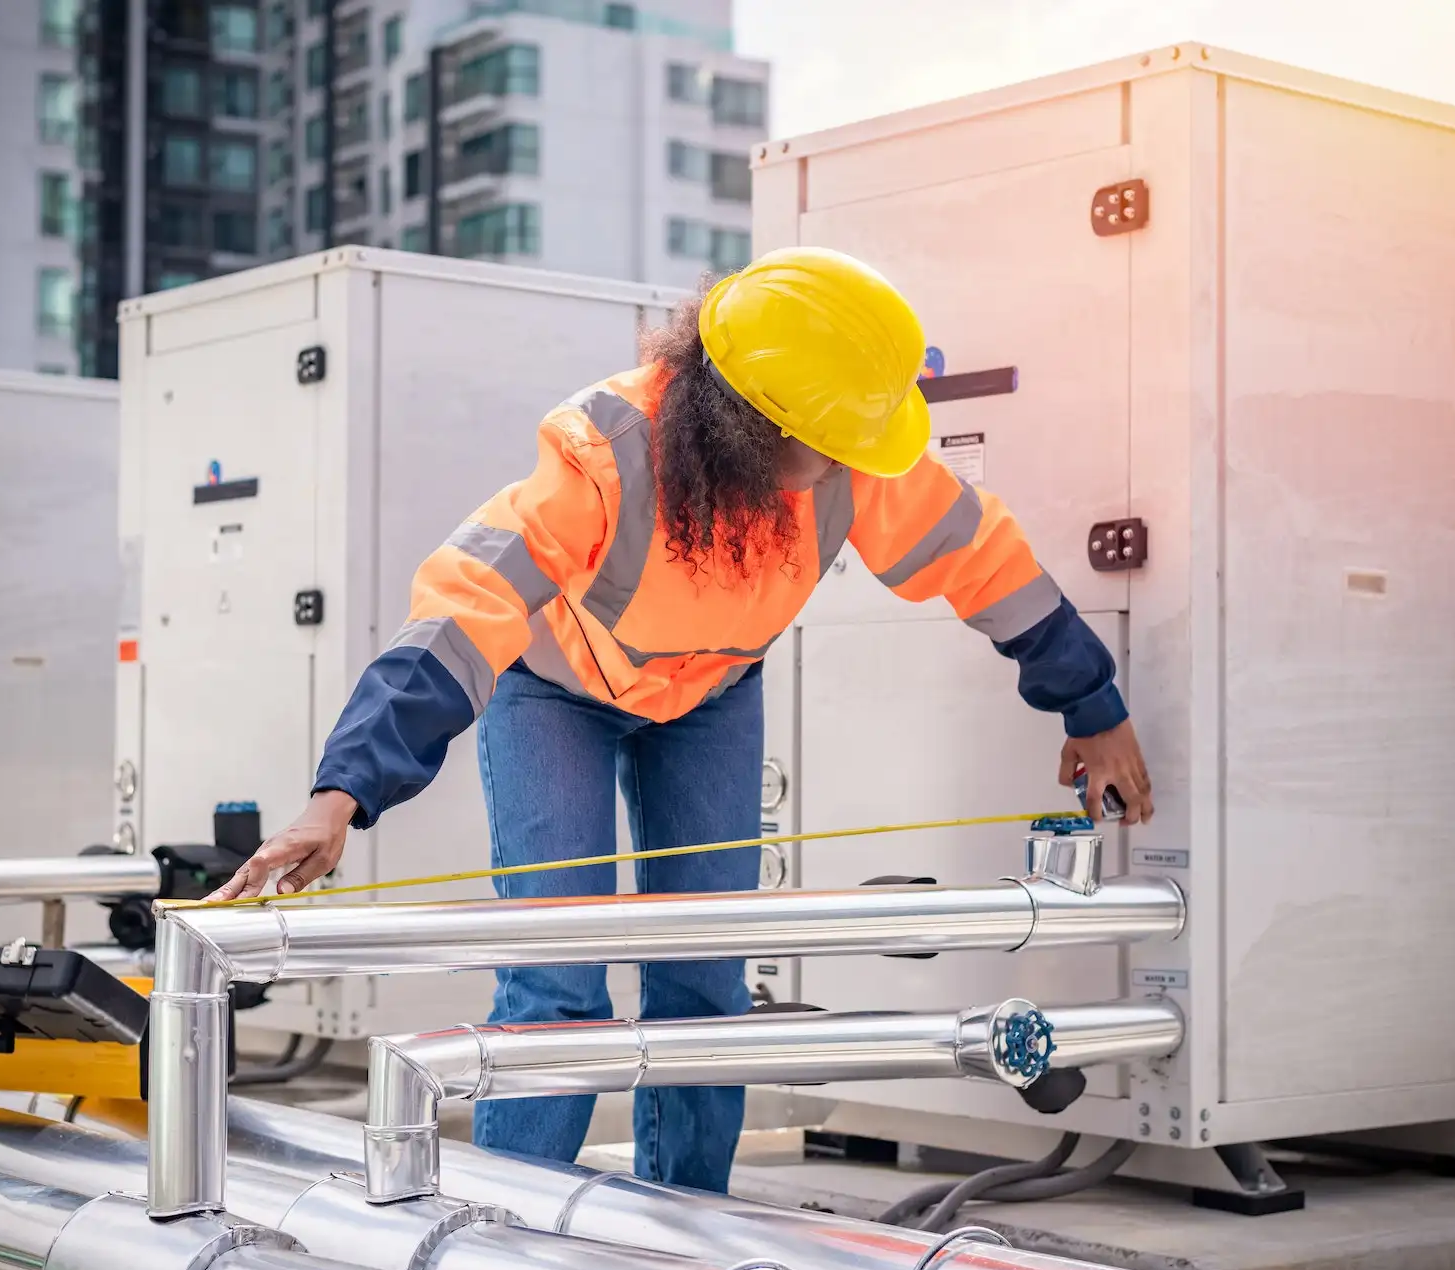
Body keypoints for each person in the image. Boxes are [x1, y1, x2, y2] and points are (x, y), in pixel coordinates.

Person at [208, 247, 1155, 1194]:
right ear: (748, 423)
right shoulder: (603, 451)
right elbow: (463, 609)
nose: (843, 462)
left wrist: (1094, 706)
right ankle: (506, 1224)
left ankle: (690, 1219)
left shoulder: (848, 453)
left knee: (705, 978)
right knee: (558, 979)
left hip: (711, 698)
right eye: (825, 442)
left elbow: (984, 561)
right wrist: (342, 792)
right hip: (555, 694)